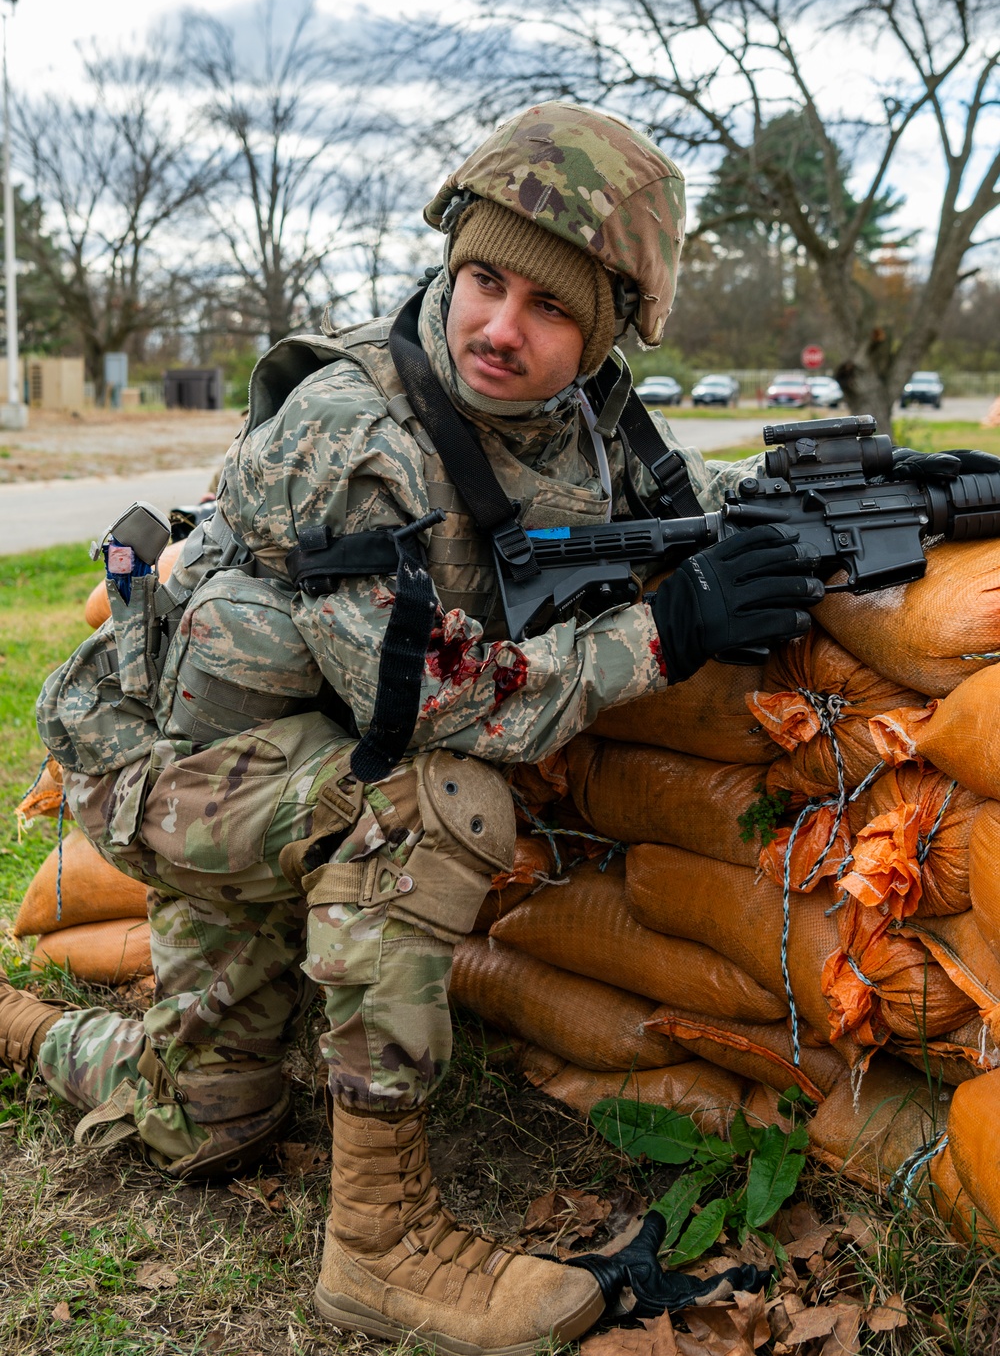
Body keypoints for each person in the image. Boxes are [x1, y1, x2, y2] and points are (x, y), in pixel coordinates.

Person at [0, 102, 826, 1353]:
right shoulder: (352, 429)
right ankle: (381, 1248)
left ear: (602, 335)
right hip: (176, 771)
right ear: (450, 262)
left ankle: (31, 1032)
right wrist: (668, 633)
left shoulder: (590, 420)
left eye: (548, 309)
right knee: (436, 798)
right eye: (483, 281)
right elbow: (428, 704)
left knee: (208, 1118)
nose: (499, 329)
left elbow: (676, 503)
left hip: (296, 770)